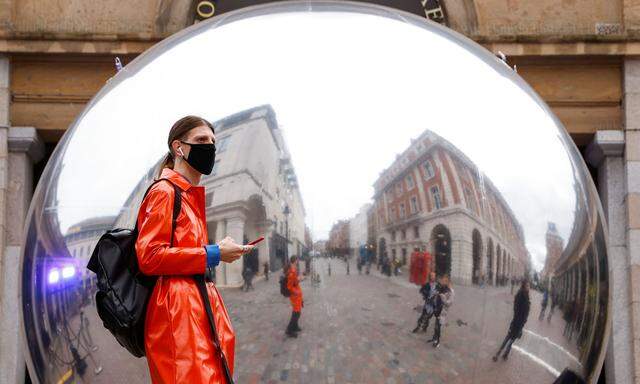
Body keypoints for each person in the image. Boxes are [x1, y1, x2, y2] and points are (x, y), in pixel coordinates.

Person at [136, 115, 255, 383]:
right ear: (178, 148)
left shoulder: (188, 196)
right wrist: (214, 253)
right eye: (202, 140)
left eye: (213, 141)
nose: (210, 147)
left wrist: (217, 253)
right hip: (178, 314)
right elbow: (150, 256)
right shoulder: (164, 191)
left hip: (197, 305)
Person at [493, 280, 531, 361]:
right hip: (519, 322)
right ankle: (501, 354)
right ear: (524, 286)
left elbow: (517, 308)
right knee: (511, 339)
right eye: (528, 286)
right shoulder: (524, 296)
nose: (529, 287)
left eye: (529, 286)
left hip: (516, 321)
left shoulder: (521, 294)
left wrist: (518, 318)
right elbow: (523, 312)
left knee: (509, 337)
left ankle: (502, 353)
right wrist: (522, 321)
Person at [430, 275, 454, 348]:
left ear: (448, 282)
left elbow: (449, 303)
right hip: (437, 308)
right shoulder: (441, 287)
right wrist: (435, 295)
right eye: (442, 280)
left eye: (444, 281)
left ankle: (437, 341)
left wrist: (443, 298)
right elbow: (436, 294)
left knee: (438, 325)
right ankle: (435, 337)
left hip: (443, 311)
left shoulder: (451, 291)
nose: (442, 282)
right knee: (436, 324)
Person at [285, 255, 305, 337]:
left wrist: (299, 279)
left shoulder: (293, 269)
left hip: (297, 293)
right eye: (297, 260)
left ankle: (295, 326)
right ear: (295, 260)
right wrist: (295, 292)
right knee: (296, 312)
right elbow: (289, 286)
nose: (298, 262)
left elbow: (295, 282)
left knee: (298, 311)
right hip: (295, 295)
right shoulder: (292, 271)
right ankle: (289, 330)